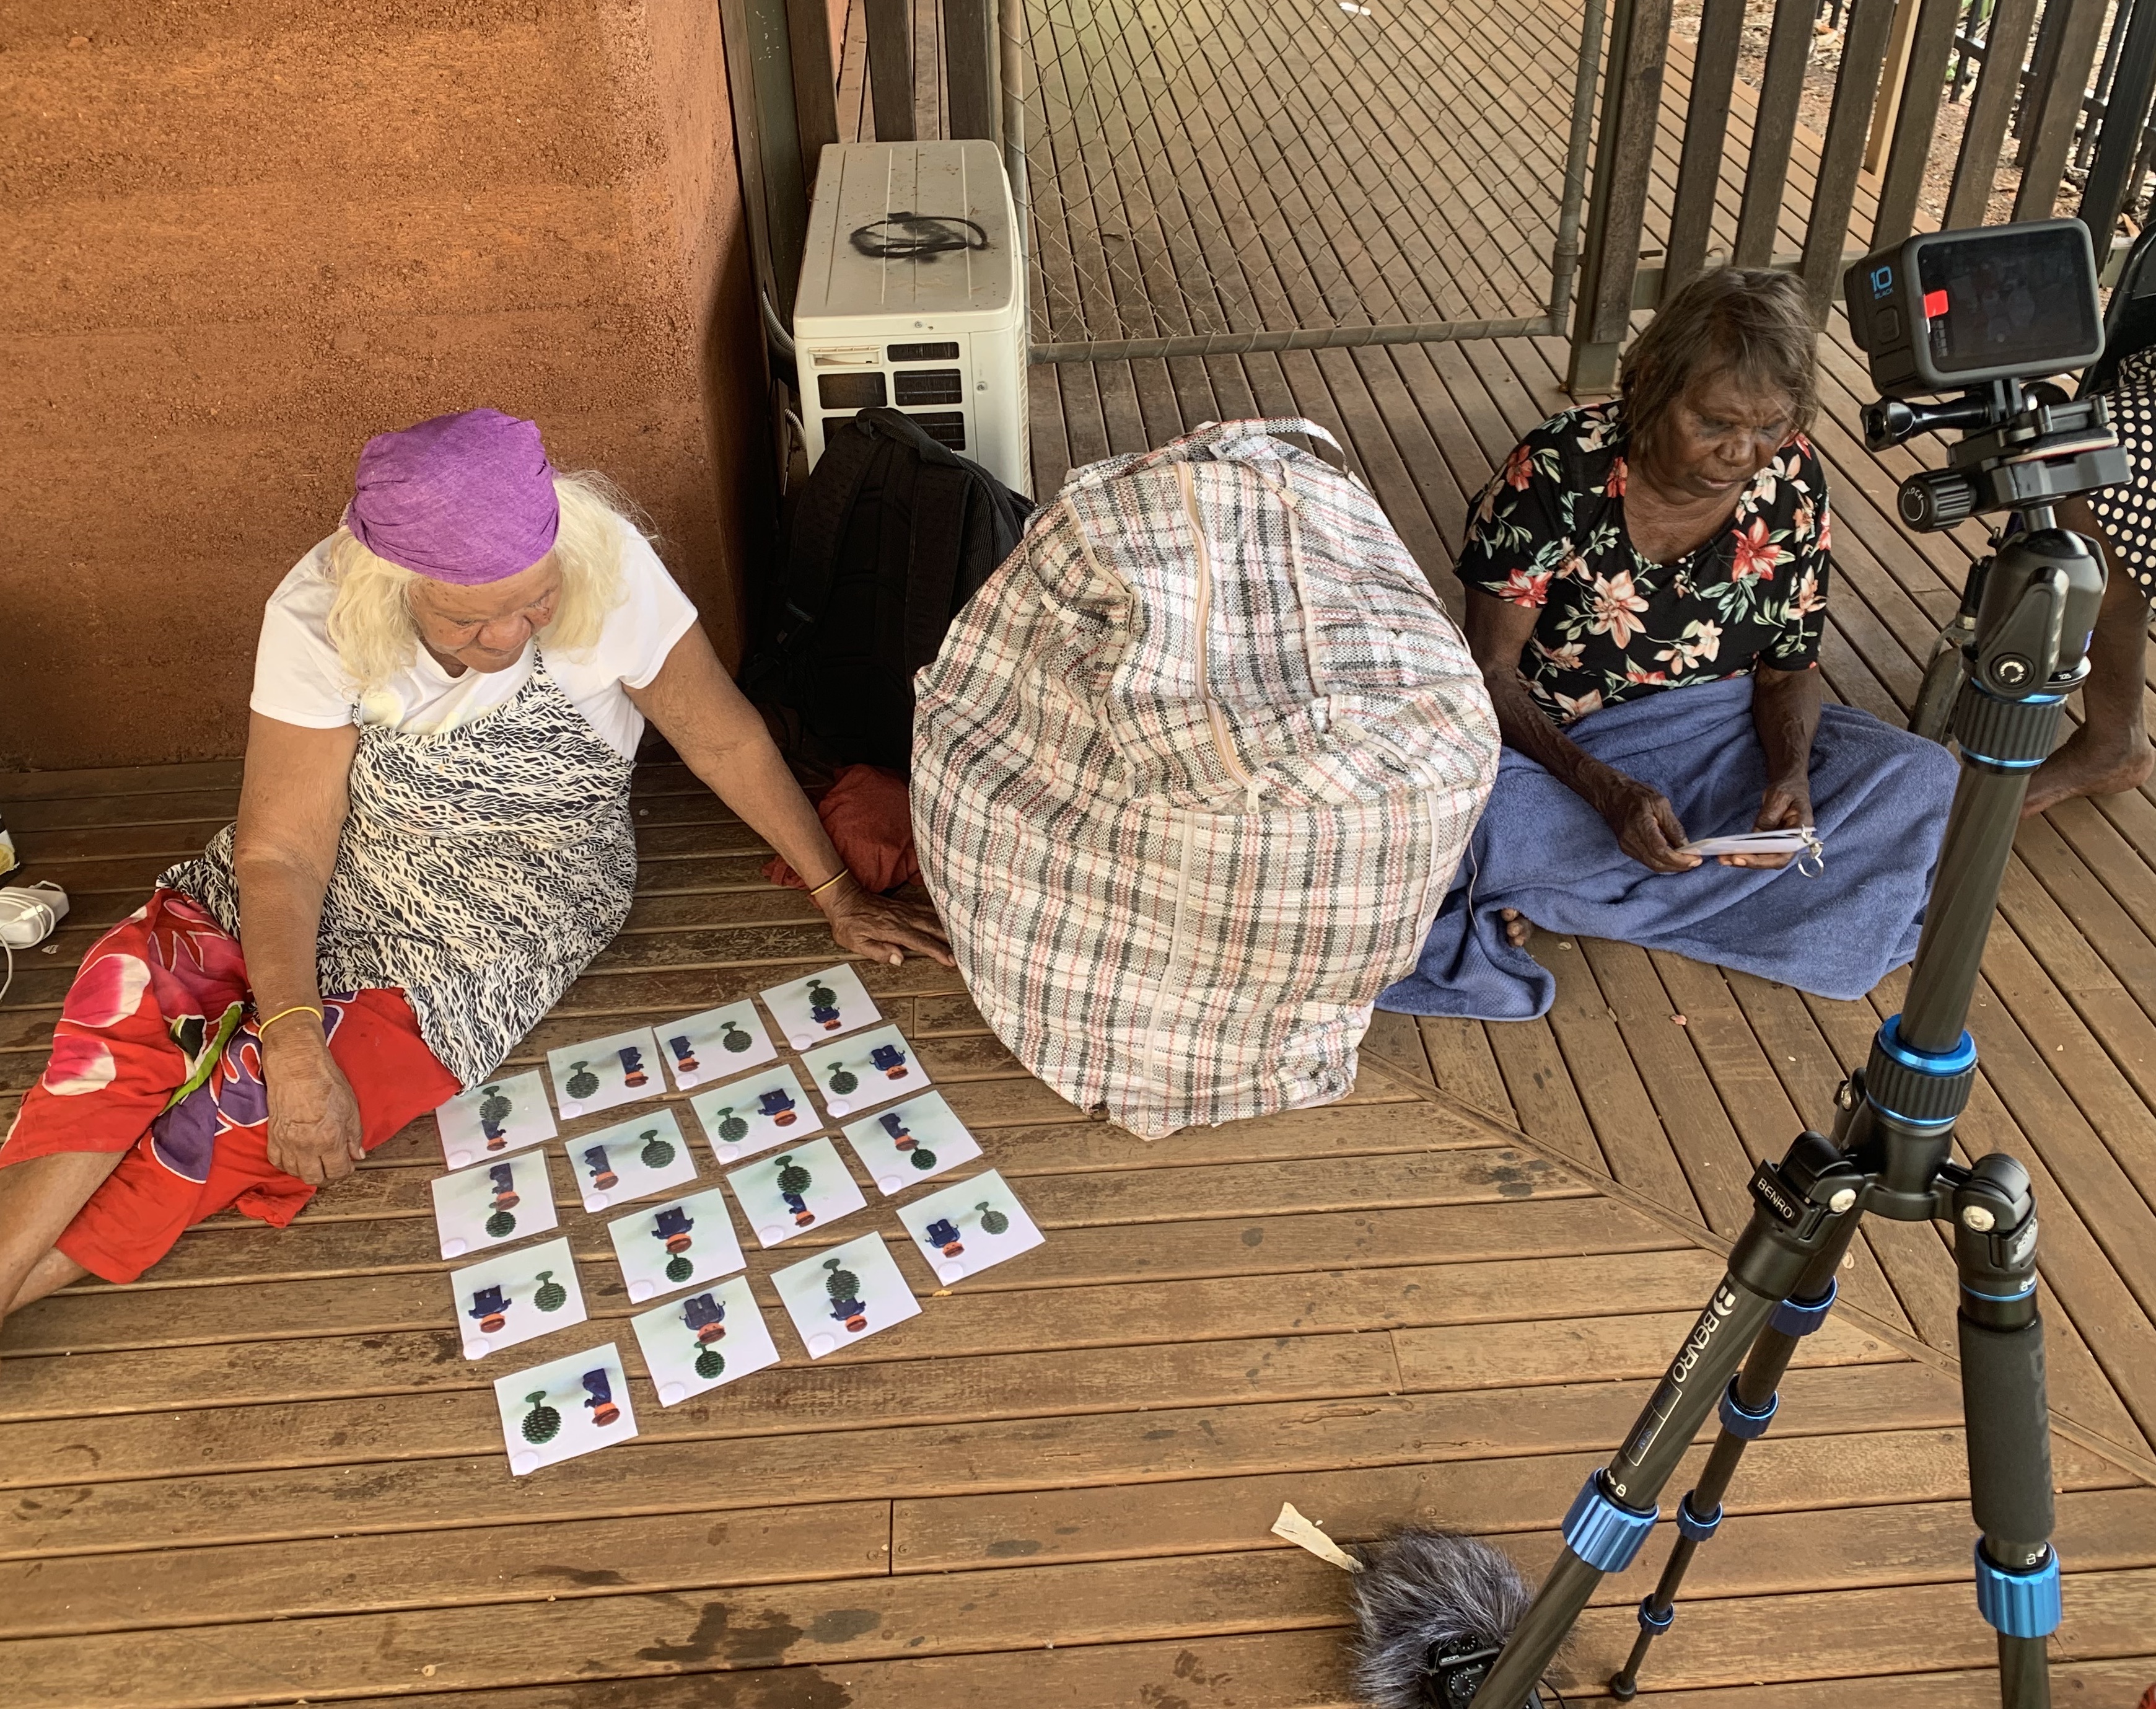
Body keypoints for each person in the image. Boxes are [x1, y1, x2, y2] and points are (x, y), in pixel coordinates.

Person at [0, 408, 952, 1342]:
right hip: (350, 856)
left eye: (532, 604)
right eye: (468, 618)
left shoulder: (603, 563)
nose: (507, 637)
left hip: (503, 914)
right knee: (127, 1022)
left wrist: (837, 894)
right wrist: (291, 1038)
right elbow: (284, 850)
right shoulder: (319, 609)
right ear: (390, 587)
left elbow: (722, 736)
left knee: (238, 1119)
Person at [1380, 270, 1959, 1020]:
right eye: (1716, 422)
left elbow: (1790, 669)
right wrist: (1605, 789)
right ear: (1652, 383)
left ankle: (1574, 890)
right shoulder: (1558, 472)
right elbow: (1489, 676)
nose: (1743, 452)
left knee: (1919, 775)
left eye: (1770, 427)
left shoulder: (1792, 480)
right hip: (1562, 752)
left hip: (1722, 734)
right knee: (1461, 821)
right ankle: (1706, 894)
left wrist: (1789, 778)